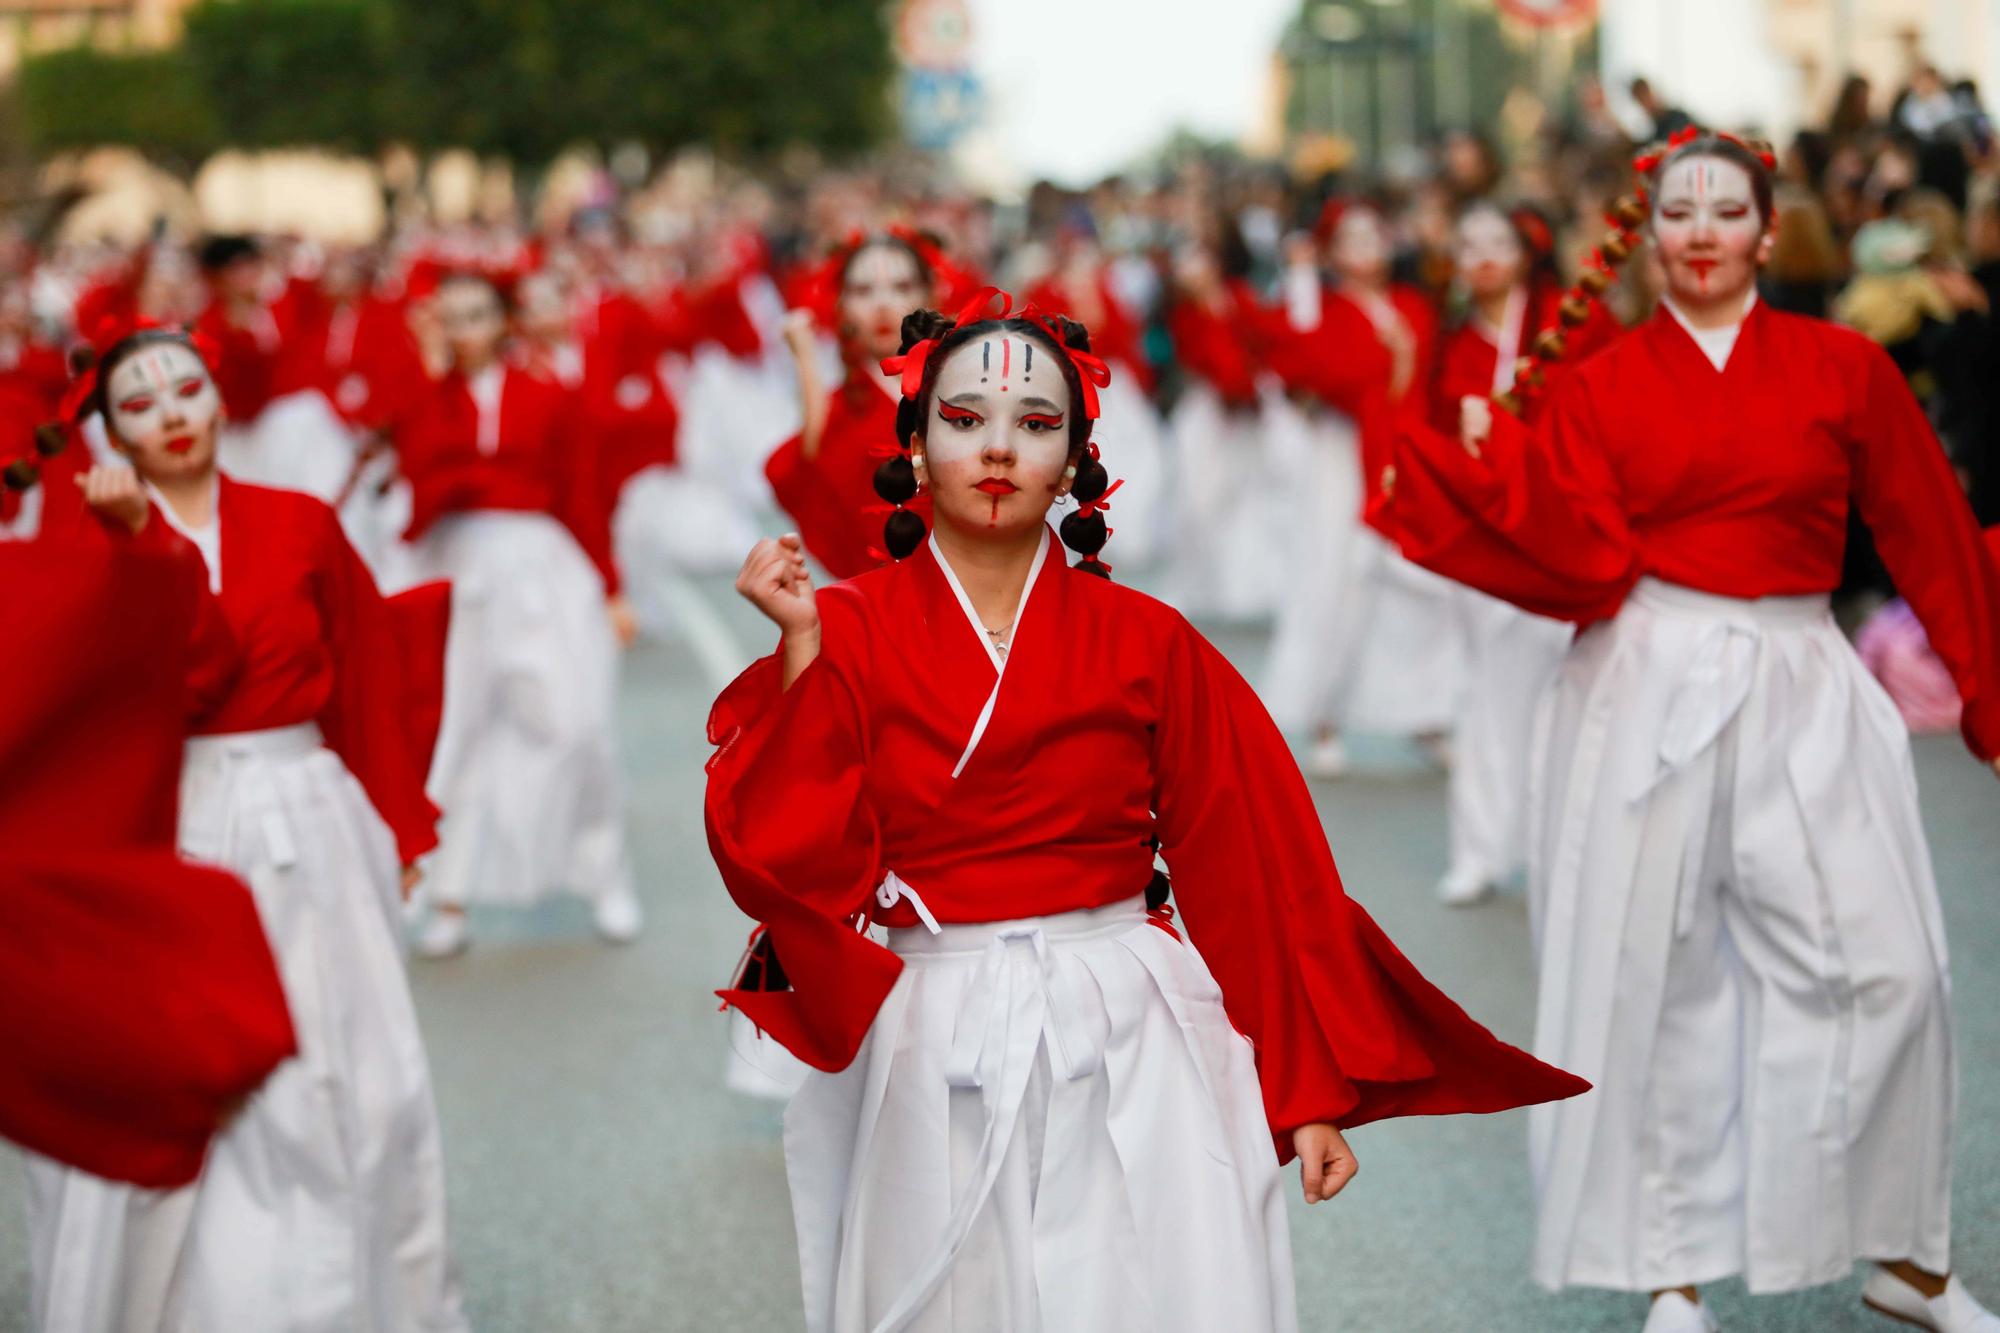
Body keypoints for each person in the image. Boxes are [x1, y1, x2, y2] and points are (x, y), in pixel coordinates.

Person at [707, 290, 1587, 1331]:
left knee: (1149, 1291)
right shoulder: (841, 624)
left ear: (1076, 462)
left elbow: (1252, 870)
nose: (997, 450)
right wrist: (802, 655)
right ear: (911, 438)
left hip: (1127, 1008)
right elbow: (789, 865)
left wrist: (1303, 1093)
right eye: (962, 420)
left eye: (1035, 426)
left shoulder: (1149, 640)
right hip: (930, 1015)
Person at [1375, 131, 2000, 1333]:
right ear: (1647, 234)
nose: (1701, 227)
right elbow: (1574, 556)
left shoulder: (1844, 366)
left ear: (1768, 231)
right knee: (1647, 976)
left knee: (1891, 965)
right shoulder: (1598, 381)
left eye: (1726, 208)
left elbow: (1926, 525)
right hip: (1643, 667)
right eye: (1677, 209)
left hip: (1803, 667)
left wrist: (1982, 690)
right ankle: (1669, 1273)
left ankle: (1903, 1259)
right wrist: (1489, 472)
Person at [23, 320, 469, 1332]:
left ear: (219, 395)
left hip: (311, 812)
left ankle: (355, 1298)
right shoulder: (86, 541)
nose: (171, 415)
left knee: (346, 1064)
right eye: (137, 403)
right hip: (167, 819)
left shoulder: (301, 520)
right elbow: (181, 681)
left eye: (184, 390)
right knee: (184, 1075)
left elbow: (366, 676)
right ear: (107, 432)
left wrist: (402, 824)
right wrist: (138, 542)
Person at [396, 271, 643, 955]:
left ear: (504, 321)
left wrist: (611, 584)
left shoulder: (549, 395)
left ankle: (604, 875)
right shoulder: (425, 398)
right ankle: (447, 896)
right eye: (451, 317)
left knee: (577, 724)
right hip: (456, 566)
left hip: (542, 567)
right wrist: (430, 379)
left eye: (477, 314)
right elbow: (416, 490)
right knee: (453, 732)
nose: (464, 328)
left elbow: (582, 493)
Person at [1425, 202, 1619, 905]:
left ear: (1526, 249)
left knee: (1561, 691)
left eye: (1497, 239)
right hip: (1480, 541)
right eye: (1467, 239)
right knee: (1481, 693)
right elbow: (1425, 430)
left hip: (1559, 531)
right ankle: (1480, 846)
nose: (1481, 253)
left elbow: (1614, 413)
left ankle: (1562, 851)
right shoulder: (1449, 339)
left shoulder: (1574, 323)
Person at [764, 231, 937, 579]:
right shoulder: (844, 407)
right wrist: (805, 360)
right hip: (879, 591)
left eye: (902, 287)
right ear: (841, 305)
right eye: (863, 291)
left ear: (930, 294)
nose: (883, 304)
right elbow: (805, 472)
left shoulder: (963, 386)